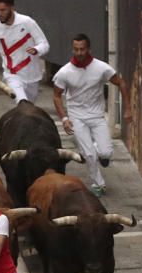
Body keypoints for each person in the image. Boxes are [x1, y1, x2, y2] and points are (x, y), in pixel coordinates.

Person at [53, 33, 132, 197]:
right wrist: (65, 118)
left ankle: (100, 154)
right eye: (76, 49)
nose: (79, 53)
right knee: (88, 154)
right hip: (77, 117)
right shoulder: (64, 72)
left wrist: (128, 108)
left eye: (82, 49)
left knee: (105, 153)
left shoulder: (101, 68)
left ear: (88, 49)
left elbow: (121, 83)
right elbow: (56, 95)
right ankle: (98, 184)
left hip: (97, 116)